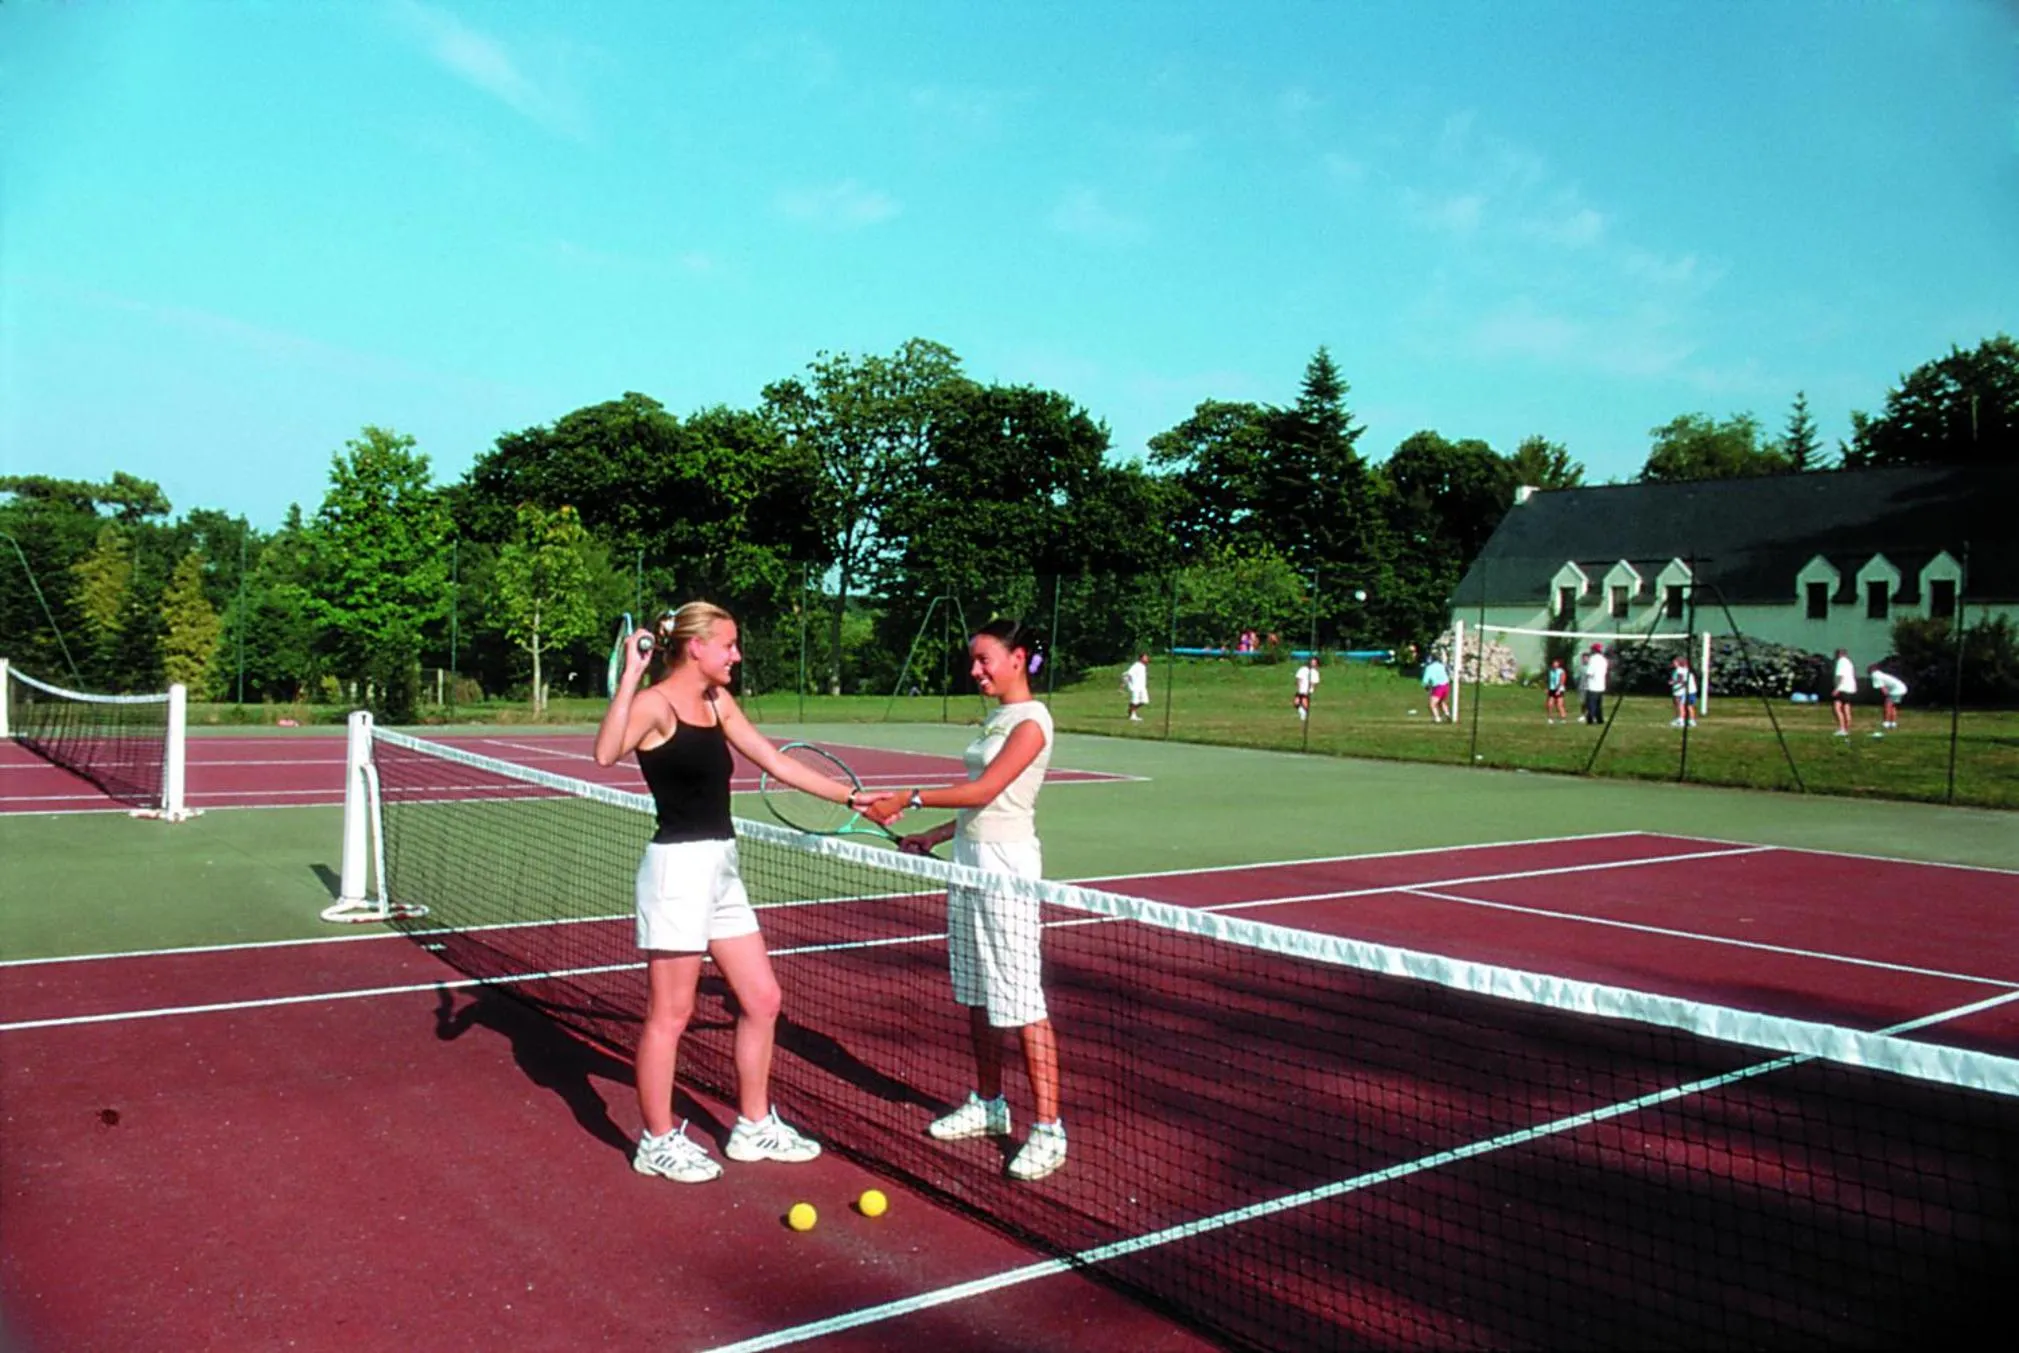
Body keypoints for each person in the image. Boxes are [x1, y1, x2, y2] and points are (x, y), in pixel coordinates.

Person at [595, 602, 856, 1184]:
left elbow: (772, 761)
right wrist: (632, 675)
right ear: (697, 647)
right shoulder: (654, 705)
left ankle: (753, 1125)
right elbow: (605, 753)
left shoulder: (718, 702)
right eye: (729, 645)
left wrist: (850, 799)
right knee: (671, 1014)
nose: (737, 655)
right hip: (676, 871)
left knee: (762, 999)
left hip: (721, 867)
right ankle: (656, 1141)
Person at [863, 619, 1066, 1182]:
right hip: (970, 862)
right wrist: (933, 836)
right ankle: (990, 1104)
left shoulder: (1032, 720)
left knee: (1021, 998)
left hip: (1008, 869)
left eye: (984, 660)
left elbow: (985, 791)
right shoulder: (997, 717)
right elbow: (979, 808)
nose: (975, 670)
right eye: (973, 661)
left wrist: (910, 796)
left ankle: (1049, 1128)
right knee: (978, 991)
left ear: (1018, 658)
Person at [1868, 662, 1907, 736]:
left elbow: (1883, 688)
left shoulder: (1875, 675)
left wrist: (1887, 696)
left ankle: (1886, 723)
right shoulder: (1879, 674)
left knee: (1887, 706)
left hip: (1897, 689)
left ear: (1872, 669)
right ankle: (1893, 723)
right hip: (1901, 687)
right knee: (1893, 706)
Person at [1831, 648, 1857, 737]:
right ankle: (1847, 729)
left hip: (1842, 687)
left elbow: (1840, 676)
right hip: (1850, 687)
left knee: (1837, 708)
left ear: (1838, 654)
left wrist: (1837, 688)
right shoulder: (1849, 662)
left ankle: (1842, 728)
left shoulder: (1840, 662)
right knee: (1846, 707)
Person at [1581, 643, 1609, 726]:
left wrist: (1585, 681)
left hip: (1593, 685)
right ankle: (1600, 719)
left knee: (1591, 704)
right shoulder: (1604, 659)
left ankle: (1590, 719)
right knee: (1599, 704)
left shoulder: (1592, 659)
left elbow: (1590, 672)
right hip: (1601, 685)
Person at [1669, 655, 1700, 728]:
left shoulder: (1680, 670)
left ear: (1678, 663)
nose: (1673, 663)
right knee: (1690, 706)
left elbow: (1681, 680)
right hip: (1692, 690)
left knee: (1681, 705)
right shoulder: (1687, 669)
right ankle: (1692, 721)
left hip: (1687, 691)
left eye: (1675, 662)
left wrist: (1673, 682)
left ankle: (1681, 720)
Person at [1421, 654, 1452, 723]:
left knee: (1432, 704)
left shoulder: (1429, 668)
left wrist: (1425, 686)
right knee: (1442, 702)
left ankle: (1437, 718)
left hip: (1438, 686)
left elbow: (1425, 680)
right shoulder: (1441, 666)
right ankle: (1447, 714)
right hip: (1446, 685)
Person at [1122, 652, 1150, 722]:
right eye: (1145, 657)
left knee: (1144, 701)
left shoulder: (1143, 666)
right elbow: (1128, 674)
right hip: (1136, 687)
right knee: (1135, 701)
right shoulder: (1136, 665)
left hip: (1142, 687)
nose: (1147, 658)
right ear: (1141, 658)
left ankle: (1131, 710)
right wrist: (1124, 684)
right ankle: (1132, 715)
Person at [1294, 655, 1322, 722]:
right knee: (1296, 702)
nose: (1312, 663)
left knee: (1304, 702)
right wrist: (1299, 687)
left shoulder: (1315, 672)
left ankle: (1305, 714)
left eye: (1314, 662)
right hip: (1301, 689)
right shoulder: (1303, 669)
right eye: (1312, 661)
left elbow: (1314, 683)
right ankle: (1303, 712)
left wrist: (1310, 689)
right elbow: (1298, 679)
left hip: (1307, 690)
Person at [1544, 657, 1569, 724]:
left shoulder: (1561, 671)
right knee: (1549, 704)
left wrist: (1558, 689)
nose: (1554, 665)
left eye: (1556, 664)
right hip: (1552, 689)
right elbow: (1549, 680)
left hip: (1559, 689)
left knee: (1559, 704)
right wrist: (1547, 688)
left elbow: (1562, 681)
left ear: (1558, 664)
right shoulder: (1550, 671)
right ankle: (1550, 718)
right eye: (1553, 664)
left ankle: (1563, 718)